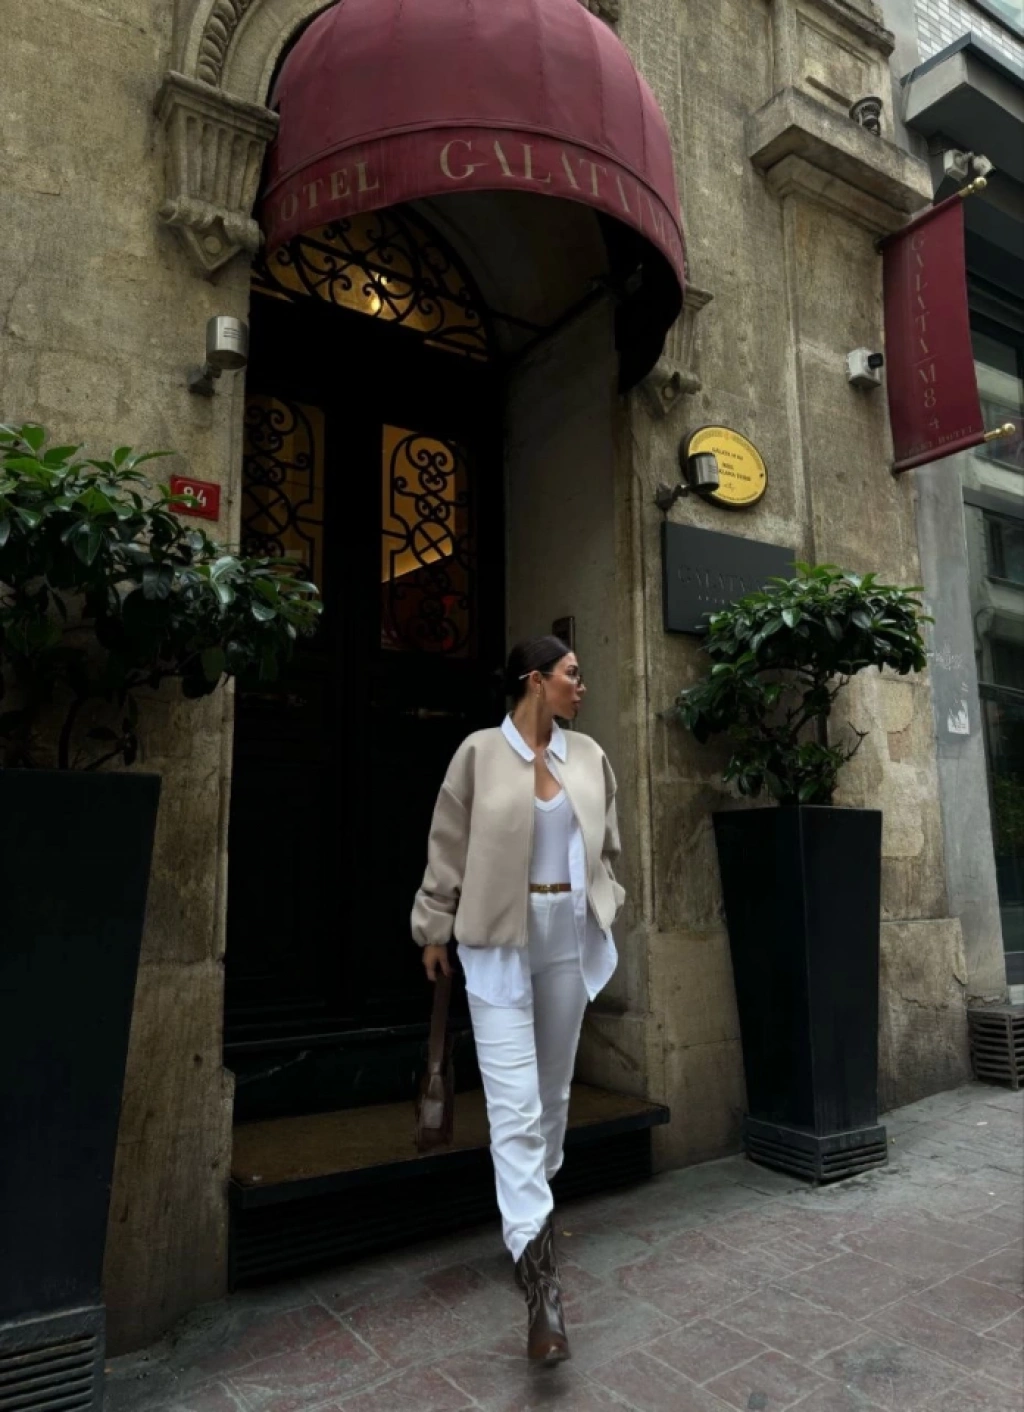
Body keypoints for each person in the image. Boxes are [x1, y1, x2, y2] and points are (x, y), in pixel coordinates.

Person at [411, 636, 624, 1364]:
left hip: (567, 935)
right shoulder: (478, 753)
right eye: (572, 674)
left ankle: (531, 1205)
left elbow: (608, 842)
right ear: (535, 680)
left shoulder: (588, 756)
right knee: (515, 1109)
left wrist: (607, 896)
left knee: (552, 1098)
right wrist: (434, 923)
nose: (581, 686)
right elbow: (447, 842)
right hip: (499, 942)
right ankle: (543, 1290)